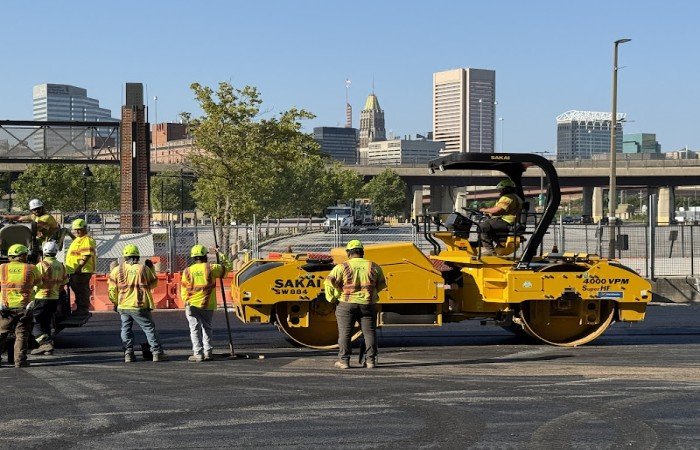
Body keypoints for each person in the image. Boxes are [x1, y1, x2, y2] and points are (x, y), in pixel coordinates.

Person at [324, 239, 387, 369]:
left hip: (346, 304)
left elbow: (328, 283)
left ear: (348, 253)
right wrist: (371, 294)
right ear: (362, 252)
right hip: (368, 304)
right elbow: (381, 284)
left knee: (345, 333)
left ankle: (344, 361)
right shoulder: (374, 266)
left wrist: (332, 298)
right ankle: (370, 361)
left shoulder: (341, 267)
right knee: (369, 333)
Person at [108, 244, 168, 363]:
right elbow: (153, 284)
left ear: (125, 257)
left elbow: (112, 290)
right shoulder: (143, 269)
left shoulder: (117, 270)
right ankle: (157, 352)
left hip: (123, 305)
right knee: (149, 328)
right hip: (139, 305)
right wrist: (151, 269)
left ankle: (128, 353)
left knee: (126, 329)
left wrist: (115, 303)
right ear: (137, 256)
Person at [180, 244, 231, 362]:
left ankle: (198, 354)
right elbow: (227, 267)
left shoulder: (187, 271)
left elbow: (183, 288)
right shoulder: (212, 268)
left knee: (194, 328)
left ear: (193, 257)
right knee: (207, 327)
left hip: (191, 304)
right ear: (205, 256)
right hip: (207, 304)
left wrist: (186, 301)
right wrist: (220, 253)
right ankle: (208, 352)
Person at [0, 244, 41, 367]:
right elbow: (39, 283)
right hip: (24, 307)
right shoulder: (31, 268)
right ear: (23, 256)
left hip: (5, 307)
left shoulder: (2, 268)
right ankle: (20, 361)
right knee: (21, 334)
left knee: (1, 333)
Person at [30, 241, 68, 356]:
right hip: (54, 298)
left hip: (41, 297)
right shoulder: (61, 266)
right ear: (56, 252)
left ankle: (45, 343)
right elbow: (63, 284)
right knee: (46, 322)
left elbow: (34, 283)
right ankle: (48, 348)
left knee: (34, 321)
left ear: (44, 251)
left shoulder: (40, 265)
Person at [478, 179, 524, 256]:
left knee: (482, 226)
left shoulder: (507, 197)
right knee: (488, 226)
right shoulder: (516, 197)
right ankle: (499, 245)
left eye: (501, 190)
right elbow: (503, 211)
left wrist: (484, 210)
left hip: (507, 221)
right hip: (511, 221)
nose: (500, 192)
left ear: (506, 189)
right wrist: (489, 213)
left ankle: (489, 250)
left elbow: (498, 210)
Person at [65, 218, 96, 317]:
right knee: (78, 290)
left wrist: (79, 267)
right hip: (76, 270)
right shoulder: (79, 239)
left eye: (79, 229)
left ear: (85, 228)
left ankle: (82, 309)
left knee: (81, 290)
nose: (77, 231)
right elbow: (76, 240)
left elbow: (86, 255)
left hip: (81, 271)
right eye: (75, 229)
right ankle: (80, 308)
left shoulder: (86, 240)